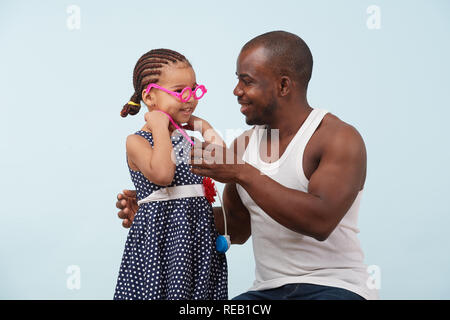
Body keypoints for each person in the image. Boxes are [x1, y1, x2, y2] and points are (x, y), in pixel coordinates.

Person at [116, 32, 378, 300]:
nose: (236, 91)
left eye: (247, 81)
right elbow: (237, 227)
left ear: (283, 85)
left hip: (335, 287)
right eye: (237, 79)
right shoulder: (243, 146)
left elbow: (320, 222)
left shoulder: (337, 138)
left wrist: (242, 172)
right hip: (266, 293)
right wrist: (163, 212)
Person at [114, 48, 227, 300]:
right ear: (150, 97)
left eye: (194, 90)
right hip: (162, 239)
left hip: (197, 237)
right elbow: (163, 174)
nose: (190, 99)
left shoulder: (188, 139)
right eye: (179, 92)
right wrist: (158, 127)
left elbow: (225, 165)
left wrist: (204, 127)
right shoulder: (137, 141)